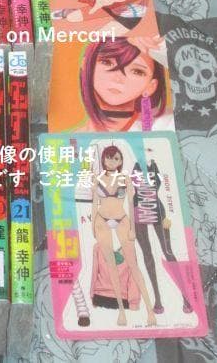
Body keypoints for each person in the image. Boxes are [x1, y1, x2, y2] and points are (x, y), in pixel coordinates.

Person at [91, 145, 157, 326]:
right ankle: (121, 312)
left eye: (116, 158)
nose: (112, 161)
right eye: (109, 157)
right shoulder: (97, 179)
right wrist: (92, 226)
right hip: (101, 220)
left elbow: (130, 204)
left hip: (122, 219)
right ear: (103, 159)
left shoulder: (125, 179)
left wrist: (133, 229)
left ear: (121, 161)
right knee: (111, 266)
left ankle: (150, 311)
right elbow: (95, 203)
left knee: (133, 265)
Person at [78, 37, 172, 131]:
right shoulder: (75, 136)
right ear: (86, 64)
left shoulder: (166, 123)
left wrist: (156, 42)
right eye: (106, 62)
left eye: (137, 71)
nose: (118, 78)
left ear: (150, 86)